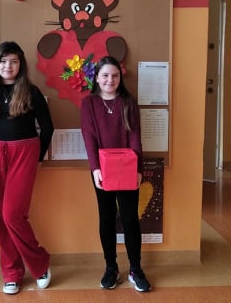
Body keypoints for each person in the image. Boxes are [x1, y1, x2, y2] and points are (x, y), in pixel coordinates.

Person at [0, 41, 54, 295]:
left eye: (13, 61)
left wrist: (37, 158)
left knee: (12, 214)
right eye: (3, 61)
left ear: (20, 65)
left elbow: (48, 128)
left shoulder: (31, 92)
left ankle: (40, 263)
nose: (8, 66)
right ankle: (11, 273)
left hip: (26, 153)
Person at [79, 56, 152, 292]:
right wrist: (95, 169)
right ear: (97, 78)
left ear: (120, 78)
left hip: (128, 169)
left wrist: (138, 170)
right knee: (107, 217)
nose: (110, 80)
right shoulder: (89, 104)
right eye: (105, 75)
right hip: (102, 171)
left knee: (130, 218)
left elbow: (135, 138)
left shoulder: (128, 102)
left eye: (115, 76)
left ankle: (135, 269)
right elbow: (89, 138)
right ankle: (111, 267)